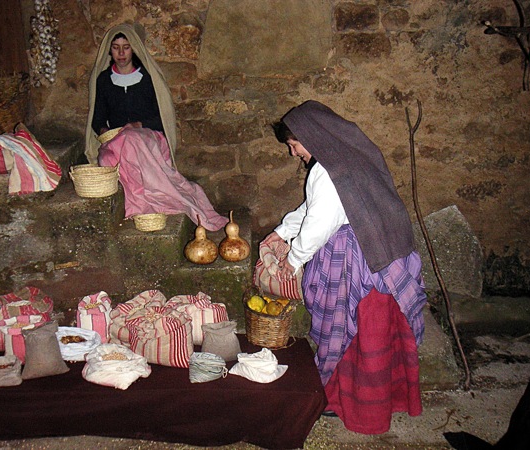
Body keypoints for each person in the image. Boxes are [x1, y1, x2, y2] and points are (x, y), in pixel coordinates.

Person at [262, 100, 427, 434]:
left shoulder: (327, 171)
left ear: (309, 136)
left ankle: (350, 403)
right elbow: (316, 208)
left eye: (294, 145)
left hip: (362, 264)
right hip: (385, 253)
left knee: (354, 330)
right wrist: (281, 232)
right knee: (376, 330)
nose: (293, 153)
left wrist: (292, 261)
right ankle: (384, 399)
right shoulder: (347, 157)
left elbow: (320, 223)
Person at [84, 23, 227, 231]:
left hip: (149, 137)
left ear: (134, 48)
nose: (121, 53)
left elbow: (162, 117)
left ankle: (157, 197)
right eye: (116, 47)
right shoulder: (104, 81)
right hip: (117, 140)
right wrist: (105, 132)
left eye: (126, 47)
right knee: (106, 158)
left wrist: (138, 125)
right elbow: (97, 119)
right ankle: (139, 198)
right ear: (110, 50)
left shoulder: (148, 79)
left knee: (133, 139)